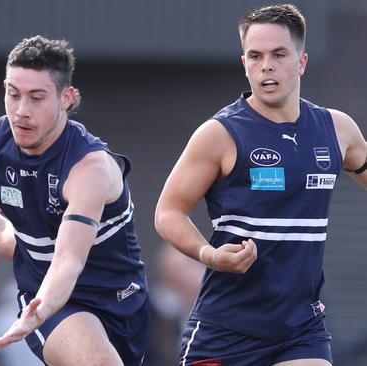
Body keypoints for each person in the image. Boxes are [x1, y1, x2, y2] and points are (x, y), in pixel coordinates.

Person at [154, 4, 367, 365]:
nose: (266, 65)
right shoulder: (220, 134)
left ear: (301, 63)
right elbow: (167, 212)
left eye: (279, 54)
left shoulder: (337, 130)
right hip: (226, 329)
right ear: (245, 64)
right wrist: (210, 255)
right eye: (256, 55)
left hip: (302, 329)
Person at [0, 35, 150, 366]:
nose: (21, 111)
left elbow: (68, 259)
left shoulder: (88, 167)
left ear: (66, 97)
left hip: (121, 301)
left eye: (36, 98)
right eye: (13, 95)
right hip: (49, 301)